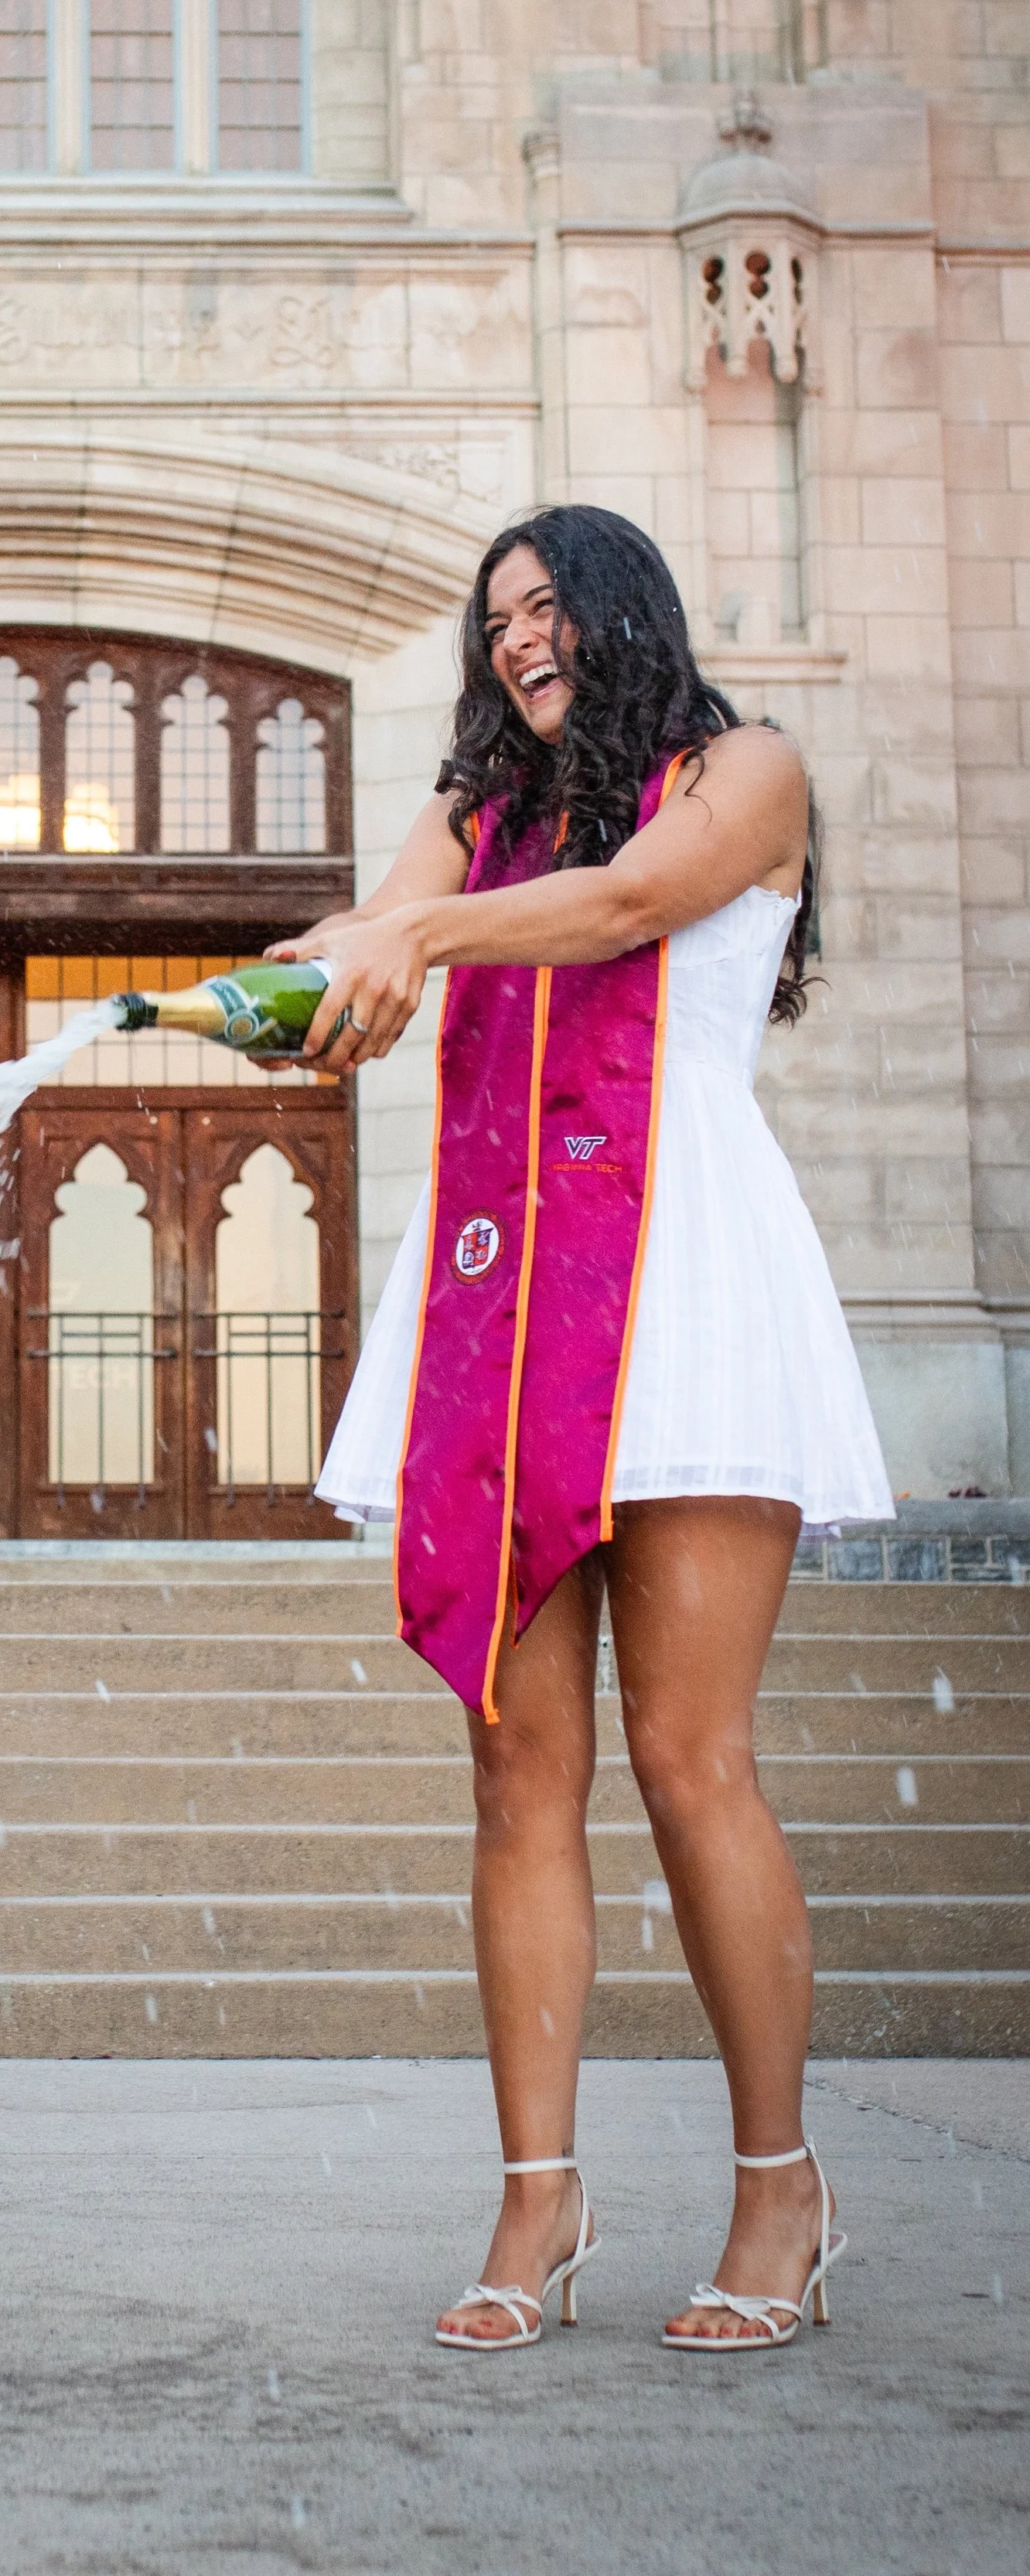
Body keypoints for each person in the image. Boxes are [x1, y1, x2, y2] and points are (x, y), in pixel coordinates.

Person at [281, 506, 890, 2355]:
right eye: (495, 623)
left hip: (682, 1278)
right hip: (497, 1288)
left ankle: (780, 2184)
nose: (520, 639)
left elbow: (624, 907)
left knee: (687, 1750)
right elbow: (367, 971)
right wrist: (285, 992)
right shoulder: (474, 819)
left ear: (621, 614)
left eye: (548, 607)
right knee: (511, 1769)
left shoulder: (743, 772)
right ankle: (535, 2198)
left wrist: (414, 931)